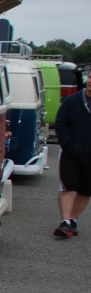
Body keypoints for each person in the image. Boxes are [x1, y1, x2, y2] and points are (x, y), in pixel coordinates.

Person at [54, 74, 91, 237]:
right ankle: (65, 221)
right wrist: (68, 145)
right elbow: (60, 123)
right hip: (71, 152)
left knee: (85, 190)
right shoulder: (72, 101)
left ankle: (73, 220)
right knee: (68, 186)